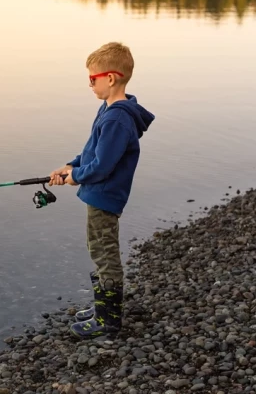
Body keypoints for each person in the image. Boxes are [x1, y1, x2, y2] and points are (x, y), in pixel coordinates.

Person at [49, 42, 155, 339]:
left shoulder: (118, 119)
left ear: (111, 78)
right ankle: (102, 308)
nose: (90, 84)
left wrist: (76, 177)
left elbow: (102, 166)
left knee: (105, 252)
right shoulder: (108, 110)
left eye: (92, 79)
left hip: (105, 195)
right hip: (97, 192)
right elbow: (92, 151)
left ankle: (109, 320)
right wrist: (70, 166)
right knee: (97, 247)